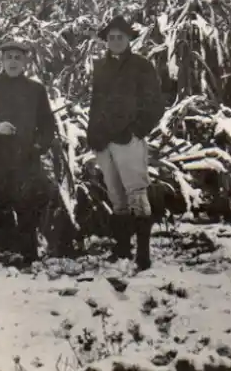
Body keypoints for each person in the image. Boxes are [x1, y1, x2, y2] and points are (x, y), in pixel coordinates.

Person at [0, 38, 57, 271]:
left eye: (18, 58)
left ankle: (28, 257)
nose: (13, 62)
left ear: (26, 62)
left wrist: (38, 146)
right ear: (1, 61)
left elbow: (48, 126)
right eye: (9, 58)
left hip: (26, 159)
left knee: (27, 209)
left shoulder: (36, 90)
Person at [86, 16, 164, 271]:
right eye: (111, 38)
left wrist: (137, 131)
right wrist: (92, 133)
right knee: (115, 195)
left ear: (129, 39)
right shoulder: (101, 66)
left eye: (120, 37)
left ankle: (143, 254)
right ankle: (122, 249)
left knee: (137, 193)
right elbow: (95, 103)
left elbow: (155, 104)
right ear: (106, 41)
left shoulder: (142, 66)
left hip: (128, 139)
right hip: (104, 140)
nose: (116, 41)